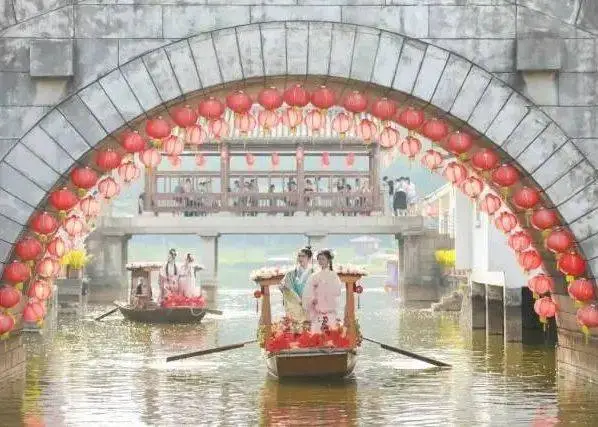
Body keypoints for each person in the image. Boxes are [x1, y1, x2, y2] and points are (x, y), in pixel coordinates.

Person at [302, 249, 343, 330]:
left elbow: (337, 291)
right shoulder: (315, 275)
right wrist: (312, 298)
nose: (320, 261)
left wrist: (324, 291)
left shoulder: (334, 275)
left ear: (328, 260)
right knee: (317, 332)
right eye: (319, 259)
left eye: (323, 259)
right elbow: (309, 290)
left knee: (331, 332)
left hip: (330, 310)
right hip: (317, 310)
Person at [280, 246, 315, 322]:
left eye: (303, 256)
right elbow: (284, 287)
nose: (300, 258)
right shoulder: (290, 273)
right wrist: (286, 289)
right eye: (299, 256)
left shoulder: (314, 273)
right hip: (295, 305)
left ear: (309, 259)